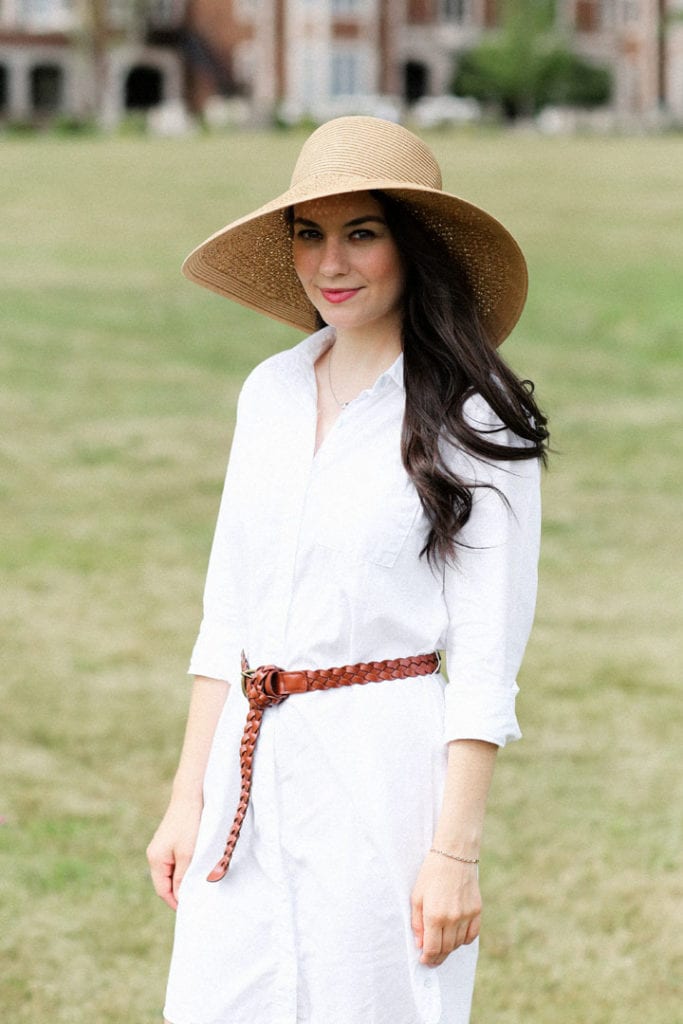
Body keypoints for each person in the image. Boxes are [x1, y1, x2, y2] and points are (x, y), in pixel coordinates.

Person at [147, 115, 548, 1024]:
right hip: (246, 786)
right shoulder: (270, 393)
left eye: (360, 232)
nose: (331, 262)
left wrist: (453, 854)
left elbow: (484, 663)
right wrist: (186, 799)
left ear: (412, 247)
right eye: (309, 234)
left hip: (382, 781)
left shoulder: (477, 423)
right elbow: (227, 618)